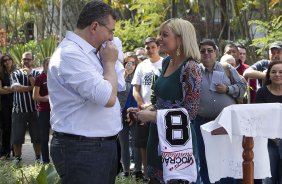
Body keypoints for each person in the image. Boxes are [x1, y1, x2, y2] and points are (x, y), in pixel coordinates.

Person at [47, 1, 121, 184]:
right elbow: (108, 97)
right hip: (82, 149)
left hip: (97, 146)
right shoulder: (70, 54)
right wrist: (110, 63)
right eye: (110, 31)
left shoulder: (91, 52)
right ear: (95, 26)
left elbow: (118, 85)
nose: (112, 38)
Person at [129, 18, 202, 184]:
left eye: (164, 35)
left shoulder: (191, 68)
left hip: (178, 142)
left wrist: (152, 116)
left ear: (180, 38)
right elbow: (162, 101)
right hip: (157, 136)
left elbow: (190, 113)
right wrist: (144, 111)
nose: (158, 38)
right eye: (159, 34)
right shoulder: (166, 62)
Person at [194, 39, 246, 184]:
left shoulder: (226, 68)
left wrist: (227, 89)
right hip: (202, 122)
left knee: (228, 160)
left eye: (210, 50)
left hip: (226, 122)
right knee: (205, 160)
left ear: (216, 52)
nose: (206, 53)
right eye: (203, 50)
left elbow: (242, 87)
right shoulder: (195, 71)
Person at [131, 37, 163, 180]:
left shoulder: (165, 63)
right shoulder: (141, 66)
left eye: (153, 47)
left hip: (159, 110)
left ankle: (160, 174)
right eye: (147, 48)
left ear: (158, 47)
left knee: (159, 143)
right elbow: (135, 90)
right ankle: (147, 174)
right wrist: (143, 105)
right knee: (143, 143)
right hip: (144, 110)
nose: (150, 50)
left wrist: (154, 107)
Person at [10, 51, 41, 165]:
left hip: (34, 110)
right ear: (21, 60)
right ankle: (18, 158)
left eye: (28, 59)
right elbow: (16, 88)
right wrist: (32, 87)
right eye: (24, 59)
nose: (26, 61)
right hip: (19, 110)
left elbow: (38, 88)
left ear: (32, 60)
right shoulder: (15, 73)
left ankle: (38, 158)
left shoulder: (37, 73)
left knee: (37, 136)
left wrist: (29, 75)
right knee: (17, 136)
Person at [255, 61, 282, 184]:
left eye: (281, 72)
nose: (277, 74)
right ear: (269, 75)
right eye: (274, 72)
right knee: (268, 176)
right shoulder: (262, 92)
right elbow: (258, 118)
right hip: (267, 140)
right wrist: (272, 137)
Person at [117, 52, 142, 178]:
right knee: (124, 144)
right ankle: (126, 171)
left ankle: (138, 171)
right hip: (121, 114)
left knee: (136, 144)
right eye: (127, 63)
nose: (130, 65)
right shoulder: (119, 77)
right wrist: (124, 74)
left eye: (133, 62)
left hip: (135, 113)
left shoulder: (139, 76)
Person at [32, 57, 50, 164]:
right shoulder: (40, 78)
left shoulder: (56, 77)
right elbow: (35, 96)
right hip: (44, 111)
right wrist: (45, 98)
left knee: (59, 136)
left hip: (56, 112)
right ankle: (45, 161)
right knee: (44, 137)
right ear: (44, 66)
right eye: (48, 64)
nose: (50, 66)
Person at [0, 54, 17, 160]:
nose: (7, 62)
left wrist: (7, 88)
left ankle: (16, 152)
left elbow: (20, 87)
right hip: (5, 104)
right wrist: (12, 89)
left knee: (15, 128)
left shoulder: (17, 72)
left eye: (9, 59)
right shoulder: (1, 73)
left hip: (17, 103)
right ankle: (5, 153)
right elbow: (0, 90)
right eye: (4, 60)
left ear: (12, 60)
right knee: (6, 128)